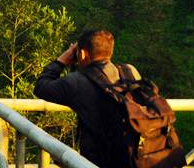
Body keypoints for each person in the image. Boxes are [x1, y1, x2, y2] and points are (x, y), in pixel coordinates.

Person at [34, 29, 140, 168]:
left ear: (82, 54)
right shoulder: (130, 72)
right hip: (133, 159)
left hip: (95, 162)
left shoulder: (77, 81)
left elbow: (41, 87)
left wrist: (62, 61)